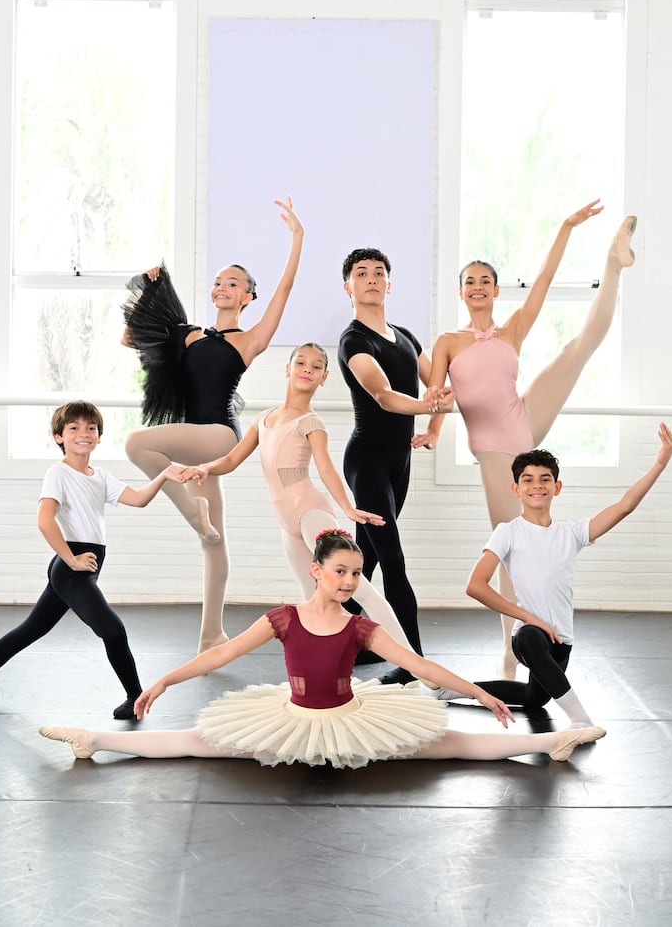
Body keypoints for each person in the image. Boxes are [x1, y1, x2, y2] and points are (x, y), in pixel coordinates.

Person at [39, 529, 606, 768]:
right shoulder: (283, 618)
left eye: (357, 574)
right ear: (316, 571)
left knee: (448, 744)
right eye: (340, 571)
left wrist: (481, 693)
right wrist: (162, 681)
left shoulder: (360, 627)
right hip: (289, 720)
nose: (350, 581)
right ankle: (93, 739)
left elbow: (417, 664)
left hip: (353, 718)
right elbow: (223, 654)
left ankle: (557, 739)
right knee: (196, 743)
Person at [427, 201, 637, 678]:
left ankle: (612, 262)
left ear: (495, 290)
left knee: (578, 348)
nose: (478, 286)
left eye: (485, 280)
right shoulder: (447, 342)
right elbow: (437, 396)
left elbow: (542, 279)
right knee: (509, 547)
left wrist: (564, 226)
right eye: (470, 281)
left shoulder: (513, 328)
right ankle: (510, 645)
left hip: (522, 420)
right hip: (493, 449)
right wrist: (433, 431)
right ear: (462, 292)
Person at [122, 196, 304, 653]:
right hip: (195, 442)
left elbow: (283, 292)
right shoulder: (187, 333)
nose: (223, 287)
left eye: (234, 283)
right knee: (213, 540)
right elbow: (130, 338)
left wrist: (297, 238)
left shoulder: (248, 340)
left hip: (219, 436)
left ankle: (191, 513)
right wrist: (150, 292)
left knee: (136, 444)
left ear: (247, 296)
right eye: (219, 281)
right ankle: (211, 634)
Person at [181, 341, 429, 665]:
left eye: (315, 367)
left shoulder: (312, 422)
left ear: (323, 377)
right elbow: (230, 459)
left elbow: (325, 468)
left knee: (360, 588)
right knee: (313, 600)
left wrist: (348, 508)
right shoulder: (264, 418)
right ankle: (326, 661)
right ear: (288, 369)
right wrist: (205, 467)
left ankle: (413, 662)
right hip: (289, 524)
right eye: (301, 363)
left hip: (311, 512)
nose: (307, 370)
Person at [0, 401, 187, 720]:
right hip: (72, 569)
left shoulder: (100, 476)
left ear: (100, 436)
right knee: (113, 630)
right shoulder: (58, 473)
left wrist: (164, 475)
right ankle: (135, 697)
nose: (83, 433)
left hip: (78, 566)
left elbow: (139, 499)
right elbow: (45, 520)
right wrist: (72, 560)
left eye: (91, 428)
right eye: (74, 428)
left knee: (30, 629)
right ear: (58, 436)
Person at [439, 421, 672, 728]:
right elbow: (475, 586)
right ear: (516, 489)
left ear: (557, 487)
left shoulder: (572, 533)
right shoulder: (508, 533)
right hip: (529, 636)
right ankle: (582, 722)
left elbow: (624, 506)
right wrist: (528, 617)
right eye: (528, 480)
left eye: (545, 479)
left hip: (561, 640)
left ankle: (451, 689)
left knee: (534, 698)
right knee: (527, 638)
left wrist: (661, 461)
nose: (537, 485)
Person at [338, 248, 454, 687]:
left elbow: (440, 389)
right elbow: (383, 395)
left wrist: (436, 427)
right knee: (393, 560)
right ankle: (413, 662)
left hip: (399, 463)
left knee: (362, 560)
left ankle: (336, 638)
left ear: (391, 283)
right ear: (348, 286)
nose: (372, 278)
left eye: (379, 272)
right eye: (361, 273)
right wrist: (427, 406)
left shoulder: (405, 336)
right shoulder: (354, 341)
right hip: (367, 461)